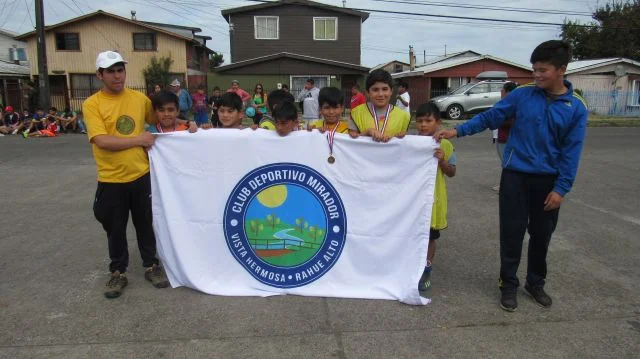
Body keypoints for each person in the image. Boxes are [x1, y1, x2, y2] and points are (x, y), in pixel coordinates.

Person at [436, 40, 588, 312]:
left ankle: (535, 282)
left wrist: (561, 189)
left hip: (548, 182)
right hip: (515, 177)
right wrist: (457, 131)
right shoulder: (522, 95)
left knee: (541, 235)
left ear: (562, 70)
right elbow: (491, 117)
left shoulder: (575, 107)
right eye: (534, 70)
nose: (537, 75)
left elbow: (571, 152)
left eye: (543, 70)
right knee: (512, 233)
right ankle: (508, 284)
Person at [82, 50, 170, 299]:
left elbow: (163, 120)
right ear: (100, 75)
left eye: (120, 70)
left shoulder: (139, 99)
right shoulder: (92, 104)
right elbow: (101, 140)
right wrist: (138, 139)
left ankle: (151, 266)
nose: (117, 76)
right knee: (115, 228)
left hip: (141, 174)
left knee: (145, 224)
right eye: (111, 71)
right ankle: (117, 271)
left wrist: (191, 127)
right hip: (111, 179)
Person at [414, 102, 456, 292]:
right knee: (412, 235)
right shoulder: (411, 143)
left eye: (428, 121)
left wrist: (442, 161)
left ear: (437, 122)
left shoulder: (445, 144)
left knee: (430, 237)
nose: (423, 125)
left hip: (433, 200)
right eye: (420, 121)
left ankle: (426, 269)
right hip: (413, 201)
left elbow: (452, 172)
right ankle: (411, 267)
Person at [349, 69, 411, 142]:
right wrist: (367, 132)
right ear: (367, 93)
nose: (380, 94)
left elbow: (406, 144)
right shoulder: (356, 113)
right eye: (375, 90)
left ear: (391, 91)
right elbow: (351, 144)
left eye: (385, 89)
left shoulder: (404, 116)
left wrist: (398, 138)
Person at [492, 82, 518, 191]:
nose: (501, 91)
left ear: (506, 91)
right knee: (506, 163)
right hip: (501, 137)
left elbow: (507, 120)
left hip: (506, 139)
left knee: (507, 164)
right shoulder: (505, 103)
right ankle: (506, 185)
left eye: (502, 90)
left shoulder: (510, 104)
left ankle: (506, 187)